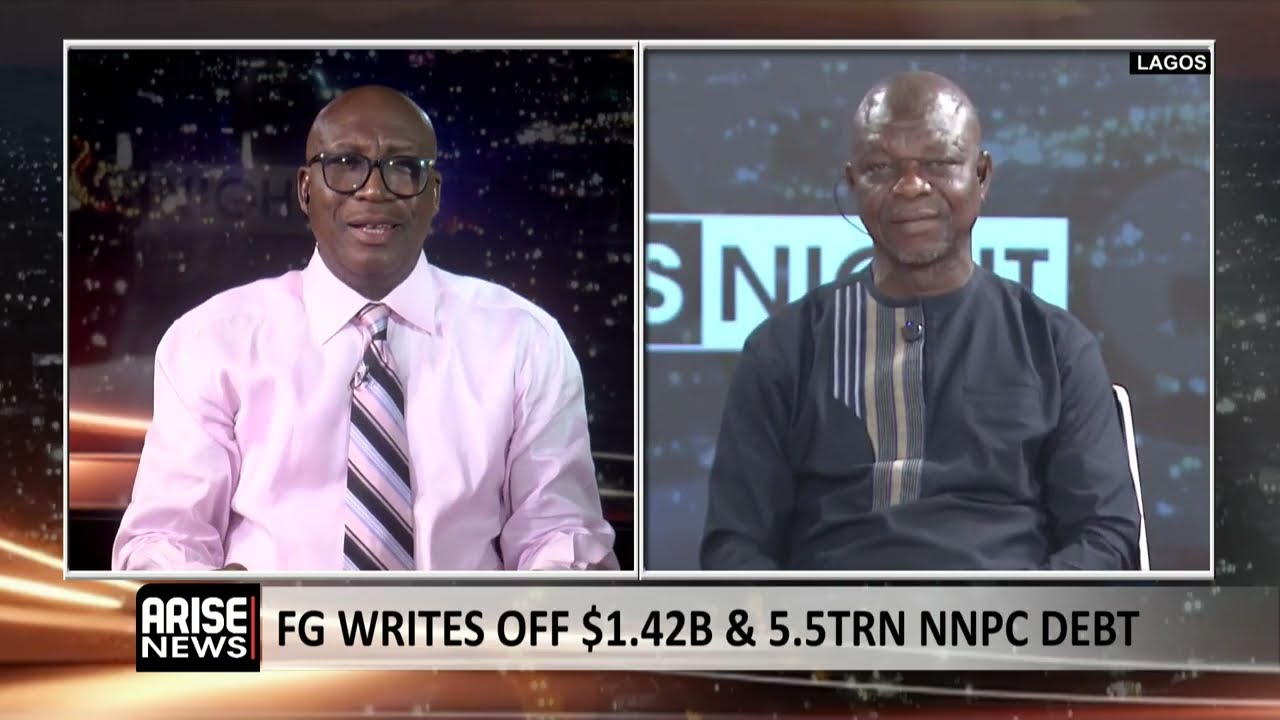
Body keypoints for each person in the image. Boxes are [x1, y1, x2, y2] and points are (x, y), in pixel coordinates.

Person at [113, 85, 619, 572]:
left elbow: (557, 532)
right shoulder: (212, 342)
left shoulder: (524, 342)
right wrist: (214, 603)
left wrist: (553, 594)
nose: (374, 190)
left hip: (465, 633)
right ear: (306, 189)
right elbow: (165, 539)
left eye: (403, 168)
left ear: (433, 194)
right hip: (270, 631)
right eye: (346, 164)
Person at [701, 71, 1141, 572]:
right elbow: (734, 547)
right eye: (880, 167)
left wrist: (1019, 614)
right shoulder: (784, 349)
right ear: (853, 183)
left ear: (982, 175)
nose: (910, 186)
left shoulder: (1056, 346)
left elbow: (1106, 539)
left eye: (938, 163)